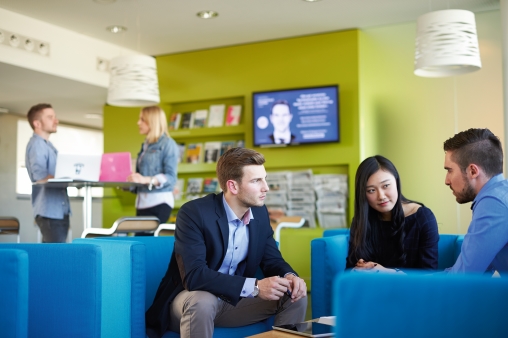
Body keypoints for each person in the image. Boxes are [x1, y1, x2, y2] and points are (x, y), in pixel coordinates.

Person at [145, 147, 307, 338]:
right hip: (188, 302)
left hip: (233, 303)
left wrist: (290, 277)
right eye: (256, 181)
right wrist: (255, 287)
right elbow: (194, 276)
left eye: (265, 178)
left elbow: (272, 259)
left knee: (294, 296)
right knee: (203, 301)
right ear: (233, 186)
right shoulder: (194, 213)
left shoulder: (260, 213)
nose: (266, 187)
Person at [346, 155, 439, 272]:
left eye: (386, 186)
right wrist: (358, 268)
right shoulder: (361, 220)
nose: (381, 196)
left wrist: (386, 273)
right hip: (371, 289)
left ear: (396, 182)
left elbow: (429, 276)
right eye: (371, 190)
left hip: (410, 290)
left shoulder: (423, 218)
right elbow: (349, 271)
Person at [443, 128, 508, 275]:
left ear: (473, 171)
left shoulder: (493, 203)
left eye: (449, 170)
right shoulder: (501, 194)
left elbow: (463, 277)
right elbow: (482, 271)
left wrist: (401, 280)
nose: (446, 181)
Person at [25, 103, 71, 243]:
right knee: (54, 258)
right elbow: (39, 177)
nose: (56, 120)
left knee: (53, 255)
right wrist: (61, 176)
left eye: (55, 117)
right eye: (50, 117)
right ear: (37, 123)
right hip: (49, 211)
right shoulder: (37, 145)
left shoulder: (48, 145)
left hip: (58, 210)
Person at [127, 106, 178, 225]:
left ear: (153, 122)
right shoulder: (145, 145)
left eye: (142, 120)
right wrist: (129, 183)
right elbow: (142, 177)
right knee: (141, 241)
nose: (138, 122)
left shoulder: (168, 144)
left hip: (159, 202)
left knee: (143, 241)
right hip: (142, 202)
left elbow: (171, 177)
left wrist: (145, 179)